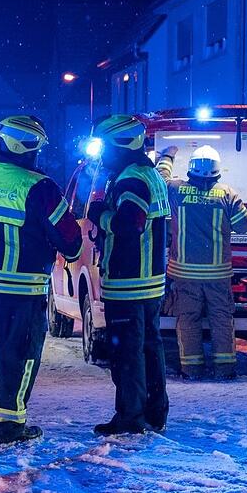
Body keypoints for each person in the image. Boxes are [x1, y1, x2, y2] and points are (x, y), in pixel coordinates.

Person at [0, 115, 83, 445]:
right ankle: (8, 425)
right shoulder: (40, 188)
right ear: (33, 149)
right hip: (18, 289)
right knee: (18, 354)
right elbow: (70, 242)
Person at [87, 115, 170, 436]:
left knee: (127, 354)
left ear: (120, 146)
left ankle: (130, 418)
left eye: (104, 148)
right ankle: (154, 413)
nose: (101, 156)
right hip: (149, 282)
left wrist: (100, 214)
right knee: (149, 348)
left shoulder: (131, 180)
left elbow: (129, 224)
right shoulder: (148, 175)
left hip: (128, 283)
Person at [156, 145, 247, 380]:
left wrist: (167, 156)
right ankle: (225, 370)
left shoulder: (177, 190)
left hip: (185, 275)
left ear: (191, 170)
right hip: (218, 275)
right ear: (218, 171)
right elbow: (244, 224)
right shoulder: (228, 194)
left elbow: (159, 179)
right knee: (221, 321)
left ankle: (191, 370)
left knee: (188, 321)